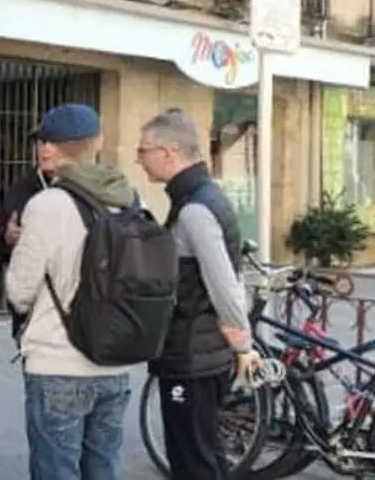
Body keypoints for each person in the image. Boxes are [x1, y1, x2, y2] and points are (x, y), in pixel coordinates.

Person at [5, 103, 138, 480]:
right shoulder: (128, 200)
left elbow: (19, 291)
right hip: (115, 363)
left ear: (50, 149)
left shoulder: (48, 205)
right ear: (98, 142)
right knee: (103, 469)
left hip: (58, 364)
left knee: (56, 470)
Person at [136, 108, 261, 480]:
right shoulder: (205, 197)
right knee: (206, 455)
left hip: (193, 355)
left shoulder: (194, 210)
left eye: (143, 150)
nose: (139, 159)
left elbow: (224, 285)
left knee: (192, 462)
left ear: (168, 152)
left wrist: (243, 345)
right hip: (202, 352)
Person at [0, 132, 54, 339]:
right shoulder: (21, 189)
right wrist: (5, 237)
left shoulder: (81, 190)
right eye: (39, 143)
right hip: (30, 311)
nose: (44, 149)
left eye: (50, 142)